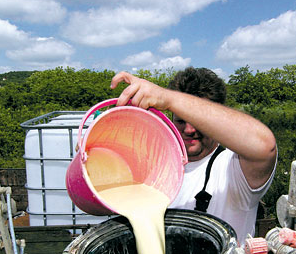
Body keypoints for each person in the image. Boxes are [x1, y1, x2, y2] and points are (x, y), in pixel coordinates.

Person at [111, 67, 277, 243]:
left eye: (199, 123)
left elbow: (265, 146)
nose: (189, 130)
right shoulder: (155, 165)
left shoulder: (234, 167)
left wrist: (167, 98)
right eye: (181, 121)